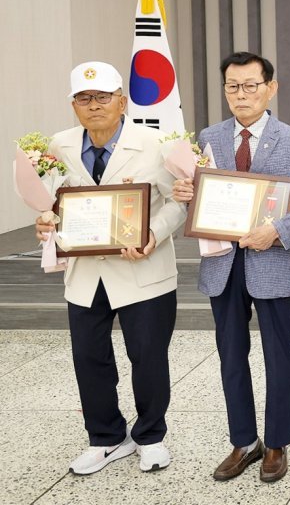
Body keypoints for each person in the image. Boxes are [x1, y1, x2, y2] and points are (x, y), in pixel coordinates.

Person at [172, 52, 290, 483]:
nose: (241, 94)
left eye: (250, 85)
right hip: (222, 266)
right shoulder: (208, 137)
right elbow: (202, 200)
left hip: (272, 262)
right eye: (232, 86)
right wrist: (186, 195)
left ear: (270, 88)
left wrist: (277, 230)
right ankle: (243, 441)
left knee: (279, 356)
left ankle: (276, 442)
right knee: (230, 355)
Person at [36, 61, 185, 475]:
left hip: (143, 269)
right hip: (86, 274)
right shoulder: (57, 146)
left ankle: (151, 436)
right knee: (89, 358)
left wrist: (153, 233)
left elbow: (179, 201)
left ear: (122, 101)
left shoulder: (156, 143)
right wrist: (46, 222)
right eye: (84, 98)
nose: (94, 105)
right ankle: (105, 438)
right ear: (73, 105)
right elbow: (52, 203)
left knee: (148, 356)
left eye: (103, 96)